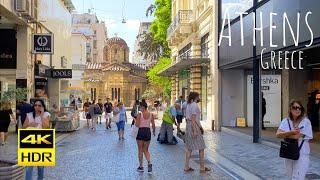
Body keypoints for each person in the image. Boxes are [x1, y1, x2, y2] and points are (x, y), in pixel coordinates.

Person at [276, 100, 313, 180]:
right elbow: (278, 134)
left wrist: (285, 134)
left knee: (298, 177)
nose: (297, 110)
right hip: (289, 152)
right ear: (290, 109)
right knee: (290, 177)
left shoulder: (306, 122)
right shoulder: (285, 121)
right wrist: (292, 132)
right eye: (295, 107)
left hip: (302, 153)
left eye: (299, 108)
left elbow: (297, 136)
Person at [22, 99, 50, 180]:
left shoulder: (46, 114)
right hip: (30, 142)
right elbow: (23, 128)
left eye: (39, 105)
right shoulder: (29, 115)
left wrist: (41, 116)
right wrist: (29, 124)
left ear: (43, 107)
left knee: (40, 167)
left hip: (41, 142)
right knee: (28, 168)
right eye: (35, 105)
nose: (37, 107)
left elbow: (46, 127)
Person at [184, 92, 211, 173]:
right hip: (193, 126)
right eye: (198, 96)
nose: (199, 97)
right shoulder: (194, 105)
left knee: (189, 148)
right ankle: (202, 168)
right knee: (201, 147)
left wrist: (199, 127)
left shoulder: (188, 105)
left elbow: (190, 118)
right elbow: (193, 119)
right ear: (195, 97)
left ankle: (186, 166)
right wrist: (195, 130)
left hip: (189, 126)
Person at [135, 101, 155, 173]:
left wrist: (135, 120)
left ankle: (141, 166)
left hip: (140, 132)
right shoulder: (151, 114)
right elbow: (153, 125)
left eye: (140, 107)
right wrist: (154, 132)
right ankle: (149, 162)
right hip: (147, 132)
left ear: (143, 107)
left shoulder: (140, 114)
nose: (140, 108)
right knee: (146, 150)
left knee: (140, 150)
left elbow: (137, 125)